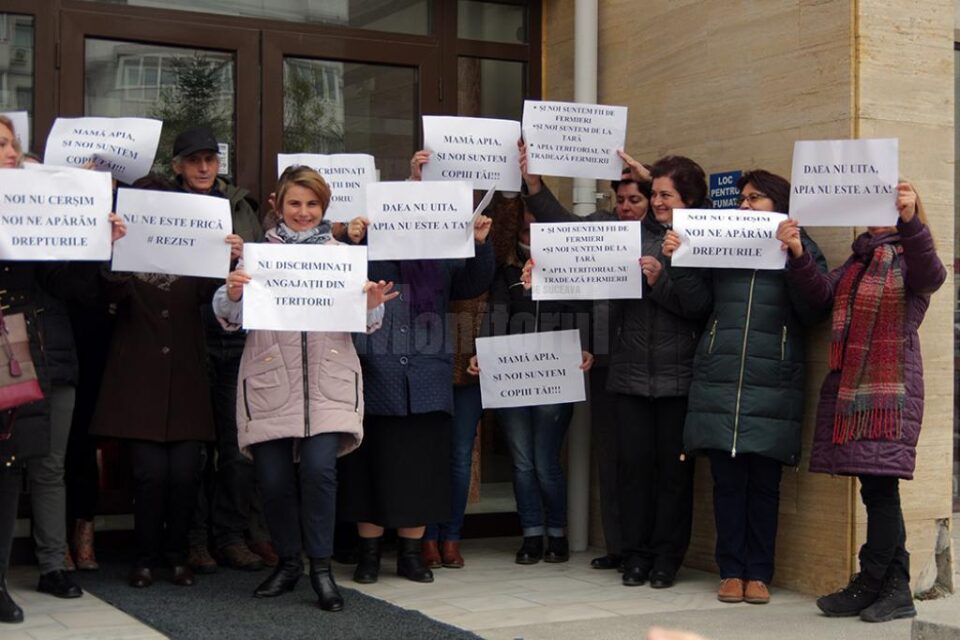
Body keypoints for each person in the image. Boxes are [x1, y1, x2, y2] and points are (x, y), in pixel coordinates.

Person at [520, 149, 712, 588]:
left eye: (666, 195)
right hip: (628, 375)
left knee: (673, 478)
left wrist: (661, 280)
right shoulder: (633, 234)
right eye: (655, 195)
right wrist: (536, 195)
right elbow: (571, 233)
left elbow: (699, 306)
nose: (658, 202)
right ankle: (637, 555)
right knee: (633, 472)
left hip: (678, 377)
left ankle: (666, 558)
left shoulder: (698, 239)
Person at [214, 166, 395, 611]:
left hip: (327, 383)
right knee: (273, 480)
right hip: (271, 379)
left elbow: (368, 324)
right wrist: (233, 293)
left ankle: (321, 568)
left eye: (312, 204)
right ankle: (288, 562)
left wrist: (371, 305)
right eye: (294, 203)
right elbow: (228, 316)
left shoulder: (342, 255)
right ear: (278, 204)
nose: (303, 211)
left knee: (319, 473)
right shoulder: (257, 255)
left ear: (324, 208)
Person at [782, 182, 944, 623]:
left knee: (880, 488)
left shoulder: (911, 258)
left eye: (889, 207)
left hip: (889, 390)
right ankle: (894, 590)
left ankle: (870, 582)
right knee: (876, 487)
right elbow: (819, 297)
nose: (878, 213)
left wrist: (912, 219)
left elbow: (934, 276)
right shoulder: (857, 261)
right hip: (856, 389)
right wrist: (797, 252)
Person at [663, 170, 827, 605]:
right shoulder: (726, 245)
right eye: (742, 198)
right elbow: (698, 305)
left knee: (765, 486)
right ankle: (730, 571)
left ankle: (759, 574)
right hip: (721, 378)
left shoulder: (802, 247)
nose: (745, 206)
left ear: (779, 203)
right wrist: (678, 262)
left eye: (756, 198)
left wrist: (796, 254)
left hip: (772, 382)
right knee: (728, 483)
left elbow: (815, 308)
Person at [0, 115, 126, 622]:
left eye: (10, 144)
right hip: (8, 347)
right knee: (5, 467)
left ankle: (54, 565)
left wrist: (97, 239)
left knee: (49, 463)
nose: (7, 152)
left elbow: (73, 289)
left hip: (50, 350)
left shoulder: (42, 203)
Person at [90, 173, 239, 588]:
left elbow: (216, 295)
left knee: (185, 473)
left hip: (187, 378)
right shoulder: (121, 252)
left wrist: (230, 258)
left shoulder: (190, 248)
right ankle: (144, 557)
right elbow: (109, 292)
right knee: (150, 474)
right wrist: (113, 247)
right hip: (139, 381)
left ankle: (177, 555)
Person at [339, 189, 495, 585]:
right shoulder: (368, 248)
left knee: (421, 471)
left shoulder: (441, 255)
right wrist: (349, 240)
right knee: (370, 469)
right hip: (377, 372)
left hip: (427, 377)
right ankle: (369, 556)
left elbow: (472, 283)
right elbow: (335, 277)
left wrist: (480, 243)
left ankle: (411, 556)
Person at [519, 143, 649, 571]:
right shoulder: (601, 226)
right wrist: (535, 186)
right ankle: (618, 547)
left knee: (641, 461)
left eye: (636, 199)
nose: (627, 207)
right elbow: (560, 228)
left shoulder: (663, 235)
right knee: (609, 459)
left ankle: (644, 550)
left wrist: (649, 177)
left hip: (651, 361)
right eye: (621, 200)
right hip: (605, 360)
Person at [468, 209, 594, 565]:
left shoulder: (573, 265)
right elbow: (497, 314)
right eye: (528, 216)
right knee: (522, 464)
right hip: (513, 377)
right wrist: (484, 353)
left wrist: (586, 345)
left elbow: (582, 309)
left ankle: (557, 535)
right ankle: (531, 535)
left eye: (542, 217)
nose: (533, 222)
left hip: (555, 376)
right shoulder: (506, 270)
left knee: (545, 462)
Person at [171, 126, 270, 573]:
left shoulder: (242, 206)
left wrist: (240, 254)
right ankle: (193, 539)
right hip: (185, 338)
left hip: (235, 338)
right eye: (194, 160)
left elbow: (265, 270)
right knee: (192, 448)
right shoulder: (161, 205)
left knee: (235, 449)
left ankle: (230, 535)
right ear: (178, 166)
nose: (204, 167)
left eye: (210, 158)